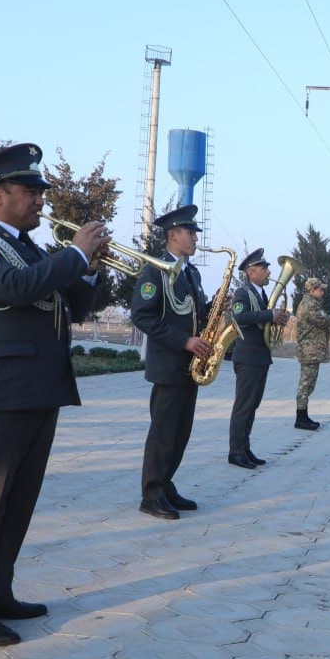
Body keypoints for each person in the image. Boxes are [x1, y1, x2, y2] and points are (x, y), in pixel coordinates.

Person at [0, 142, 108, 647]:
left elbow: (74, 306)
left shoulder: (34, 249)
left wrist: (89, 267)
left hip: (39, 387)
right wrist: (74, 253)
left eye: (41, 191)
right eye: (30, 190)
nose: (40, 200)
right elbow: (14, 288)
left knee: (17, 502)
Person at [130, 205, 210, 520]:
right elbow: (142, 316)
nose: (195, 238)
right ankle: (151, 494)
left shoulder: (192, 272)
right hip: (168, 364)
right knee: (163, 433)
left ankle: (165, 484)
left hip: (191, 366)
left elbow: (195, 313)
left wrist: (216, 306)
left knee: (180, 432)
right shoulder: (155, 270)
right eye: (190, 233)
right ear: (173, 234)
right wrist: (184, 341)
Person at [227, 248, 289, 468]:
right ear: (251, 271)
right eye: (263, 268)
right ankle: (236, 452)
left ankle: (244, 448)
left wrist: (277, 319)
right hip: (248, 357)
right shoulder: (242, 293)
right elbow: (239, 316)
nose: (268, 272)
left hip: (259, 357)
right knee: (243, 406)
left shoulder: (260, 294)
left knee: (252, 405)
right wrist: (270, 315)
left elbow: (262, 318)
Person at [294, 277, 330, 430]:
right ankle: (300, 418)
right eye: (320, 289)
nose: (322, 292)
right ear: (312, 290)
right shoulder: (310, 305)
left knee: (308, 384)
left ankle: (303, 415)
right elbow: (324, 322)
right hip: (309, 350)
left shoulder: (313, 304)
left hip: (312, 350)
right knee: (305, 384)